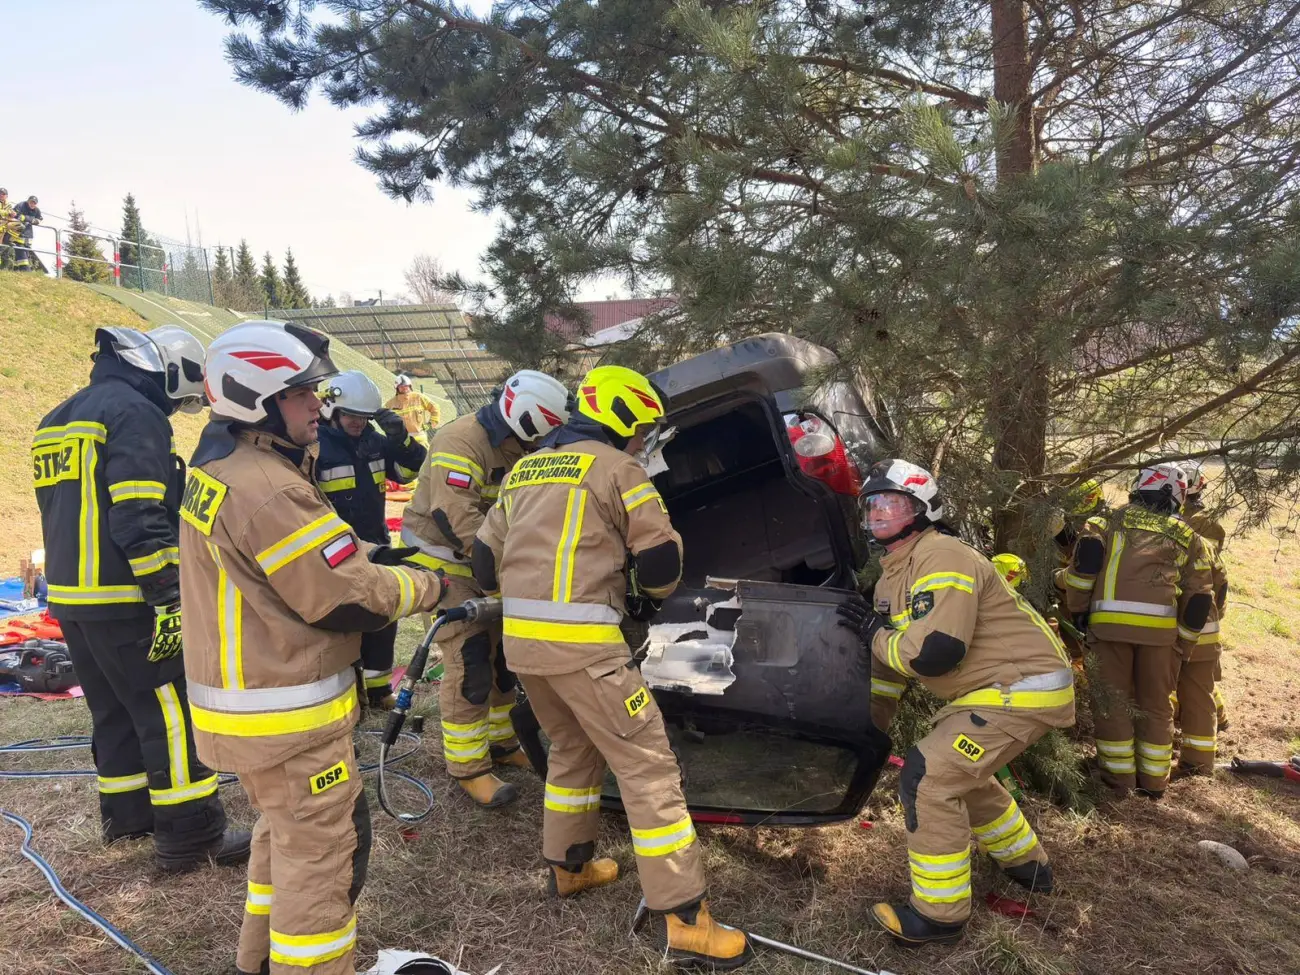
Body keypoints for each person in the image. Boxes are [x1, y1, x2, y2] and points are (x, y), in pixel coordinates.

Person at [180, 320, 446, 975]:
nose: (316, 407)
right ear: (257, 400)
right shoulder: (269, 487)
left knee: (284, 840)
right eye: (301, 394)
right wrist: (430, 585)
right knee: (323, 857)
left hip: (249, 708)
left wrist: (377, 553)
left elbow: (294, 558)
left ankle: (257, 963)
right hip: (286, 715)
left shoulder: (224, 465)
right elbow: (342, 599)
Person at [474, 365, 752, 970]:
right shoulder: (619, 470)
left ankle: (569, 867)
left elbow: (482, 561)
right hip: (587, 653)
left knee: (573, 748)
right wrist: (650, 596)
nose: (643, 441)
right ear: (623, 421)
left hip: (525, 650)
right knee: (648, 769)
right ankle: (686, 921)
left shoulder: (524, 470)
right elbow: (659, 561)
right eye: (643, 429)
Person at [32, 325, 249, 871]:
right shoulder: (135, 414)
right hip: (126, 596)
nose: (174, 411)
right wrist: (169, 593)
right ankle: (193, 834)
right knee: (169, 708)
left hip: (71, 598)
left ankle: (128, 817)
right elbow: (139, 513)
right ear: (167, 370)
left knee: (112, 710)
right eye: (180, 400)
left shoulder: (57, 418)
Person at [835, 460, 1075, 947]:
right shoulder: (892, 578)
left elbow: (933, 654)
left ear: (923, 509)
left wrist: (875, 633)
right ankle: (1027, 865)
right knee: (963, 772)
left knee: (928, 776)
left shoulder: (942, 555)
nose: (879, 514)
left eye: (893, 504)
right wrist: (870, 727)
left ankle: (939, 918)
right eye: (872, 505)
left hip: (1021, 688)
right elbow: (888, 671)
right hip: (991, 692)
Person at [400, 369, 571, 806]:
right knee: (471, 658)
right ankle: (469, 767)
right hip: (446, 564)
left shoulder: (517, 444)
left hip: (488, 563)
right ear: (528, 421)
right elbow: (454, 518)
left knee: (503, 659)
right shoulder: (461, 442)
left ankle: (502, 742)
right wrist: (508, 567)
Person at [1062, 463, 1215, 799]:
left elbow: (1083, 570)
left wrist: (1079, 610)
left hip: (1109, 630)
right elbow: (1199, 599)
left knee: (1111, 704)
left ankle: (1118, 782)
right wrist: (1184, 645)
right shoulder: (1189, 537)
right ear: (1176, 496)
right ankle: (1155, 783)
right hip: (1161, 639)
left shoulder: (1104, 523)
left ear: (1139, 487)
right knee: (1157, 707)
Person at [317, 371, 427, 707]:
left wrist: (401, 439)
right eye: (351, 415)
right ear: (332, 410)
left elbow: (411, 471)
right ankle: (350, 693)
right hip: (333, 551)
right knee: (343, 622)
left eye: (364, 417)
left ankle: (379, 690)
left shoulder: (374, 442)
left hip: (377, 544)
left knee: (382, 614)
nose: (358, 423)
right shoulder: (316, 446)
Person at [1174, 462, 1231, 773]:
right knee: (1197, 682)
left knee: (1194, 684)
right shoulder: (1184, 521)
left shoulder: (1203, 527)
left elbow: (1211, 576)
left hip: (1193, 616)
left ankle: (1197, 762)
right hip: (1195, 617)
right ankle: (1216, 721)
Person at [384, 374, 441, 443]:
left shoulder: (419, 397)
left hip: (421, 442)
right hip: (402, 442)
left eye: (406, 386)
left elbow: (435, 408)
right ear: (397, 388)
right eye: (401, 386)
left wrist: (431, 423)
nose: (404, 388)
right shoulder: (390, 404)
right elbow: (385, 421)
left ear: (410, 386)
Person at [13, 194, 42, 271]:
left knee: (25, 253)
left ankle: (16, 269)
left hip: (28, 235)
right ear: (28, 201)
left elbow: (39, 220)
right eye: (31, 202)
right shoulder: (21, 205)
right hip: (18, 233)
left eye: (34, 203)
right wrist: (30, 219)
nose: (32, 204)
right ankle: (26, 270)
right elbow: (15, 215)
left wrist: (26, 218)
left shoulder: (37, 210)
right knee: (20, 252)